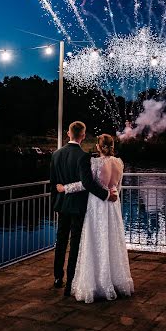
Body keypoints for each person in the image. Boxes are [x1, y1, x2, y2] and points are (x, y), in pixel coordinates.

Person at [56, 133, 134, 303]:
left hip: (98, 205)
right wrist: (112, 194)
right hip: (113, 206)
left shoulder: (96, 163)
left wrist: (65, 188)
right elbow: (117, 188)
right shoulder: (119, 163)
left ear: (99, 147)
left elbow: (85, 184)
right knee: (112, 241)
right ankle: (114, 280)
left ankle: (97, 283)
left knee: (95, 241)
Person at [50, 121, 118, 296]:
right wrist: (106, 195)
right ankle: (70, 282)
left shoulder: (56, 154)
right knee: (75, 245)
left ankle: (58, 277)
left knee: (61, 241)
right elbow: (87, 183)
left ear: (68, 134)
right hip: (79, 206)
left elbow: (53, 183)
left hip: (61, 205)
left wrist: (56, 202)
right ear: (82, 135)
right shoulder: (83, 156)